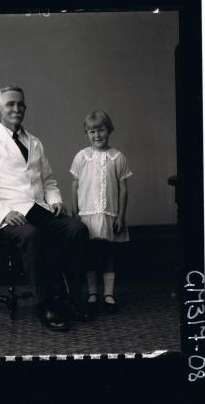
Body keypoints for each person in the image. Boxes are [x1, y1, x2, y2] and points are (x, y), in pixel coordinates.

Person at [0, 86, 90, 331]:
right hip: (7, 216)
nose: (16, 109)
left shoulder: (34, 142)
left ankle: (73, 299)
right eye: (10, 104)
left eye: (20, 104)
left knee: (76, 229)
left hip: (37, 208)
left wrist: (55, 200)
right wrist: (3, 214)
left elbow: (48, 181)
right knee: (32, 235)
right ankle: (47, 305)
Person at [70, 110, 132, 314]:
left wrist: (121, 216)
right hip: (87, 213)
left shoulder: (117, 157)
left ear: (109, 130)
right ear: (86, 133)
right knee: (89, 254)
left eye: (101, 130)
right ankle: (92, 293)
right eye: (91, 131)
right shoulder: (82, 157)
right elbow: (75, 185)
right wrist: (75, 211)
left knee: (108, 254)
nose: (97, 135)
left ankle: (109, 294)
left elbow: (123, 188)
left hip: (109, 214)